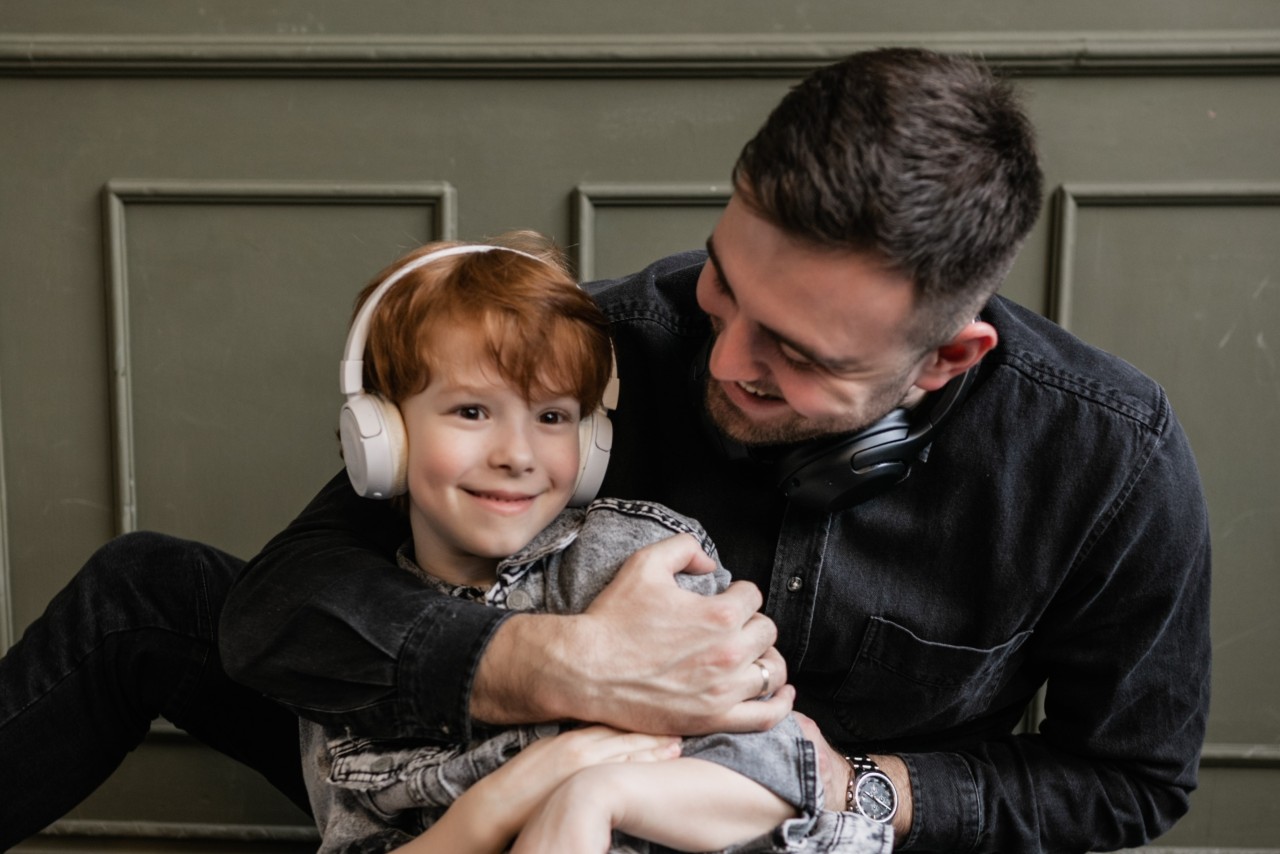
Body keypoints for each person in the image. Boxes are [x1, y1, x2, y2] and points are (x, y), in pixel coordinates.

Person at [0, 47, 1209, 853]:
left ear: (943, 360)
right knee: (146, 592)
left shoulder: (1101, 457)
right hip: (449, 771)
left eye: (794, 355)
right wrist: (565, 664)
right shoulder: (611, 343)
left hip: (764, 816)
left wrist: (859, 783)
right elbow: (284, 606)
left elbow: (1127, 779)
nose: (724, 357)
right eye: (724, 284)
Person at [299, 234, 889, 853]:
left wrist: (594, 796)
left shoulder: (635, 558)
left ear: (590, 441)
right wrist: (509, 797)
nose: (516, 455)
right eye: (472, 411)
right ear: (381, 435)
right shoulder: (353, 643)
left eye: (551, 417)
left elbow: (778, 784)